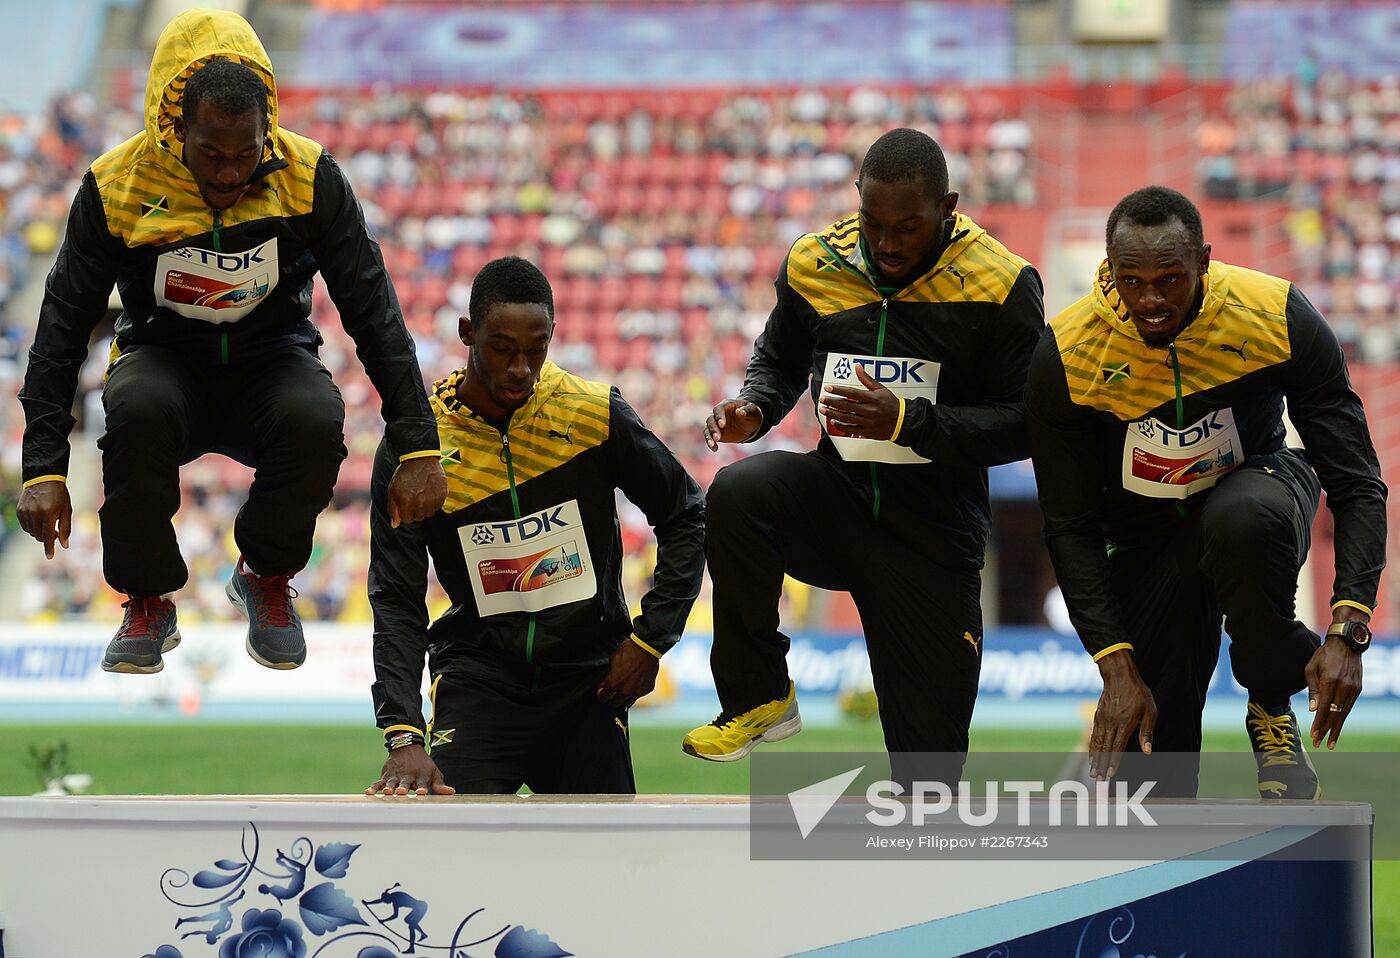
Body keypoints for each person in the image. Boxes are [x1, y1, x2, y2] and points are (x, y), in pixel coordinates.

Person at [15, 10, 446, 673]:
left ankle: (266, 577)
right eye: (210, 154)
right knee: (133, 406)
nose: (227, 175)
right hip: (163, 357)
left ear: (265, 128)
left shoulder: (307, 175)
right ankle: (148, 598)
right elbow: (60, 328)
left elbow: (374, 311)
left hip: (271, 362)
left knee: (317, 415)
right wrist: (44, 466)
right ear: (174, 130)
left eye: (244, 154)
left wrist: (418, 441)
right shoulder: (117, 186)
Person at [684, 128, 1045, 783]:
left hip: (934, 536)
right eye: (874, 223)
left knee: (928, 779)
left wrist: (910, 421)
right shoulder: (815, 261)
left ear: (948, 206)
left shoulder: (1002, 284)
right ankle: (760, 696)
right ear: (858, 202)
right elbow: (781, 356)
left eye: (908, 226)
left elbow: (1027, 424)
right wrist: (758, 407)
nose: (888, 243)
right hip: (839, 502)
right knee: (739, 492)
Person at [1026, 185, 1386, 798]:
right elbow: (1068, 523)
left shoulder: (1276, 315)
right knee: (1144, 784)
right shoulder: (1067, 354)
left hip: (1262, 489)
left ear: (1205, 261)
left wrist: (1348, 628)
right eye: (1131, 281)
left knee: (1239, 518)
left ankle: (1270, 704)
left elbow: (1356, 480)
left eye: (1170, 279)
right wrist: (1114, 666)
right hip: (1146, 532)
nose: (1151, 301)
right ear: (1109, 271)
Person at [366, 257, 704, 796]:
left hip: (589, 683)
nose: (520, 367)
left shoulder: (593, 414)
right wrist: (402, 734)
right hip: (478, 680)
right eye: (501, 348)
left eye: (536, 349)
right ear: (466, 334)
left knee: (605, 867)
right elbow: (396, 596)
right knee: (446, 856)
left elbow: (686, 513)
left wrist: (649, 640)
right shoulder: (418, 451)